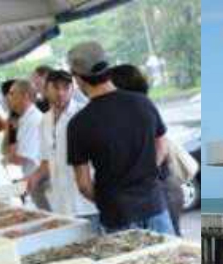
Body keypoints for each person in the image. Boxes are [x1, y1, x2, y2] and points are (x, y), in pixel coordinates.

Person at [66, 41, 174, 235]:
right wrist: (147, 172)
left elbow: (83, 185)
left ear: (78, 78)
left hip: (117, 215)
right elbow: (162, 145)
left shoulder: (78, 124)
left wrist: (107, 200)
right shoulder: (142, 103)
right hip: (155, 205)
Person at [109, 63, 191, 236]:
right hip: (163, 188)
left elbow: (158, 148)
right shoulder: (139, 106)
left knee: (170, 247)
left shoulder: (139, 109)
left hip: (160, 190)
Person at [26, 70, 98, 223]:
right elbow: (47, 160)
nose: (61, 93)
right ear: (46, 90)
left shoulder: (84, 113)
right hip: (61, 205)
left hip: (88, 203)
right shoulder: (44, 120)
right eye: (56, 88)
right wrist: (34, 178)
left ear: (73, 89)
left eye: (66, 88)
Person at [6, 80, 50, 210]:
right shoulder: (25, 118)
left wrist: (9, 157)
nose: (9, 98)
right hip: (34, 178)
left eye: (12, 94)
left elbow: (20, 158)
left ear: (25, 95)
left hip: (39, 179)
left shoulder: (32, 119)